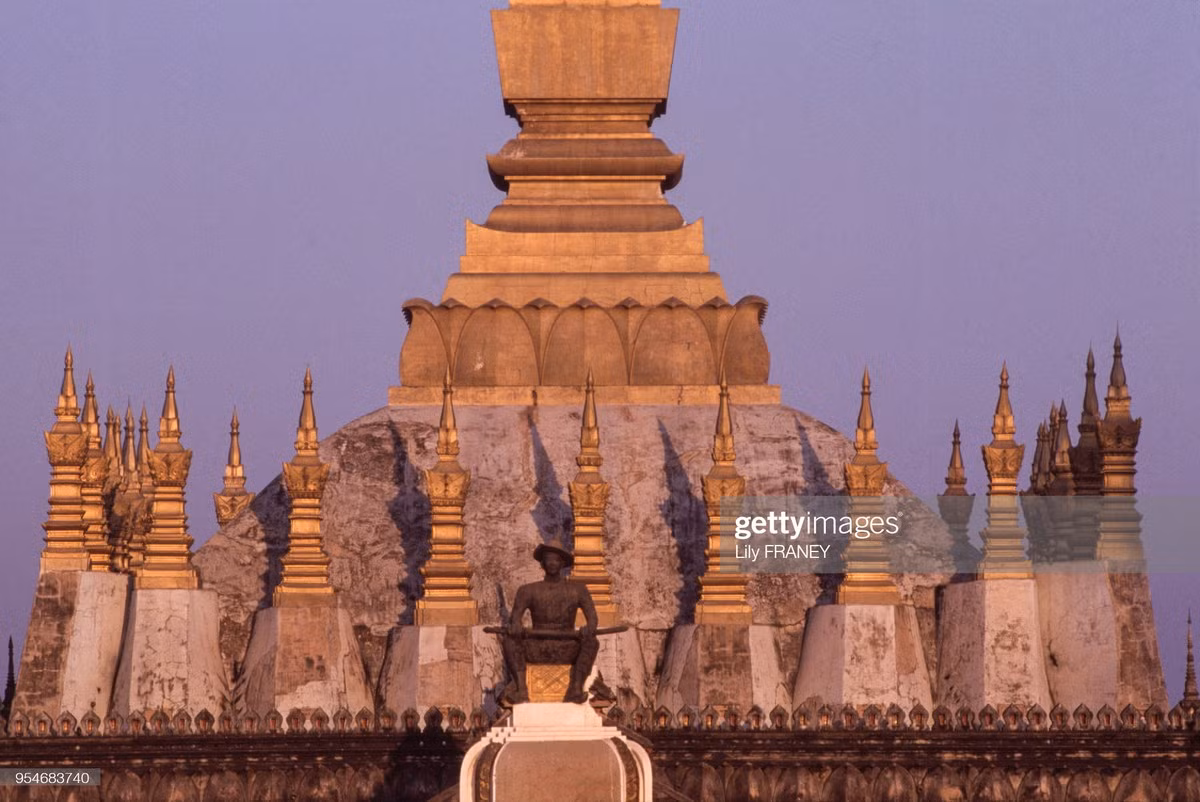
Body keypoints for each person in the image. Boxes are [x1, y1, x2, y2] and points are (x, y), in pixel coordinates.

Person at [501, 538, 599, 704]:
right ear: (542, 564)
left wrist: (588, 628)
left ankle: (576, 688)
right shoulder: (528, 590)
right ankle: (521, 689)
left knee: (592, 642)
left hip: (567, 646)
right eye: (548, 559)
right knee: (510, 641)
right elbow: (515, 618)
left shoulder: (578, 590)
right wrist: (516, 627)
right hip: (537, 646)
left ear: (562, 563)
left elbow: (593, 618)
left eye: (556, 560)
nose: (552, 563)